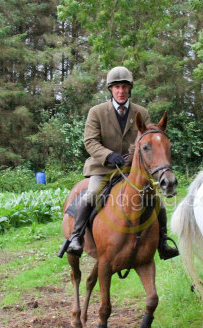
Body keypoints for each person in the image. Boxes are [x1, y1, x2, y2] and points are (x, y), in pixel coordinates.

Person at [67, 66, 178, 259]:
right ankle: (76, 237)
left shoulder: (141, 112)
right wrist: (109, 156)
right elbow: (90, 141)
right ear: (111, 89)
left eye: (124, 87)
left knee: (156, 200)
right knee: (92, 194)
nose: (121, 91)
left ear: (129, 89)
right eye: (117, 87)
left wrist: (131, 155)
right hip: (102, 167)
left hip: (131, 168)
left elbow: (148, 140)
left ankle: (162, 241)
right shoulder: (97, 112)